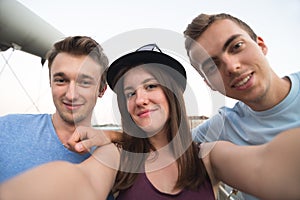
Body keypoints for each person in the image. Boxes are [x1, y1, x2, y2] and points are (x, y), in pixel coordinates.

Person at [1, 44, 300, 200]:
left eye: (151, 86)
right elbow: (82, 182)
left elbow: (266, 166)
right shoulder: (116, 157)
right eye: (129, 92)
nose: (139, 98)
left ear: (172, 94)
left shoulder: (208, 157)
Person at [183, 13, 300, 199]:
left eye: (236, 47)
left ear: (261, 45)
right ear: (209, 84)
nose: (231, 67)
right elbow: (160, 150)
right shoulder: (222, 126)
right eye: (212, 66)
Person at [0, 36, 116, 199]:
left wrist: (114, 136)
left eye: (85, 82)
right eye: (61, 80)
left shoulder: (113, 154)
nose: (71, 95)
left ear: (102, 90)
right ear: (50, 82)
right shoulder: (6, 129)